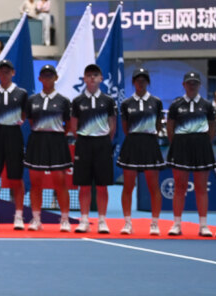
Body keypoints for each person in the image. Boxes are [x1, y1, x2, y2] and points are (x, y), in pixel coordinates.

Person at [166, 71, 216, 237]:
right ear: (184, 85)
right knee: (179, 187)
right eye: (189, 82)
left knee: (201, 187)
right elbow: (170, 129)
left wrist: (201, 142)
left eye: (195, 82)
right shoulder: (176, 105)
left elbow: (212, 129)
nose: (192, 85)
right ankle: (177, 224)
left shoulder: (207, 105)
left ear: (199, 85)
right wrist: (180, 143)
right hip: (181, 145)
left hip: (201, 145)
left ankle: (203, 225)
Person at [117, 67, 165, 235]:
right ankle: (128, 223)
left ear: (148, 82)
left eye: (144, 79)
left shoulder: (156, 102)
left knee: (153, 186)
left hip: (150, 143)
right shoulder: (126, 104)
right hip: (132, 143)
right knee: (128, 185)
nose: (141, 82)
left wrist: (148, 134)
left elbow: (158, 126)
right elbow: (125, 128)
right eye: (138, 79)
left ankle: (154, 223)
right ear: (133, 82)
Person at [24, 64, 73, 230]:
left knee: (60, 182)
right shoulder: (32, 100)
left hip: (57, 141)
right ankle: (36, 219)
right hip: (37, 140)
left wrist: (55, 133)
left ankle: (64, 219)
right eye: (44, 76)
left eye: (50, 76)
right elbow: (30, 121)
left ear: (56, 78)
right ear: (40, 79)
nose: (47, 78)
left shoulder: (64, 101)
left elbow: (68, 124)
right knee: (35, 182)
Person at [70, 63, 116, 234]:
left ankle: (102, 220)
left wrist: (102, 139)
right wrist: (84, 137)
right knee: (84, 185)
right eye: (88, 75)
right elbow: (74, 127)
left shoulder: (108, 101)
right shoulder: (77, 101)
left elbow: (112, 125)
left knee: (102, 186)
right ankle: (84, 220)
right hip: (83, 143)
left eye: (95, 75)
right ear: (84, 79)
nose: (92, 78)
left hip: (102, 144)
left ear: (101, 79)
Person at [0, 59, 28, 230]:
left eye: (7, 71)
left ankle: (18, 216)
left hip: (14, 135)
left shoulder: (22, 94)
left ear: (13, 73)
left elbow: (24, 115)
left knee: (16, 178)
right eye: (1, 71)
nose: (4, 74)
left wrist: (13, 122)